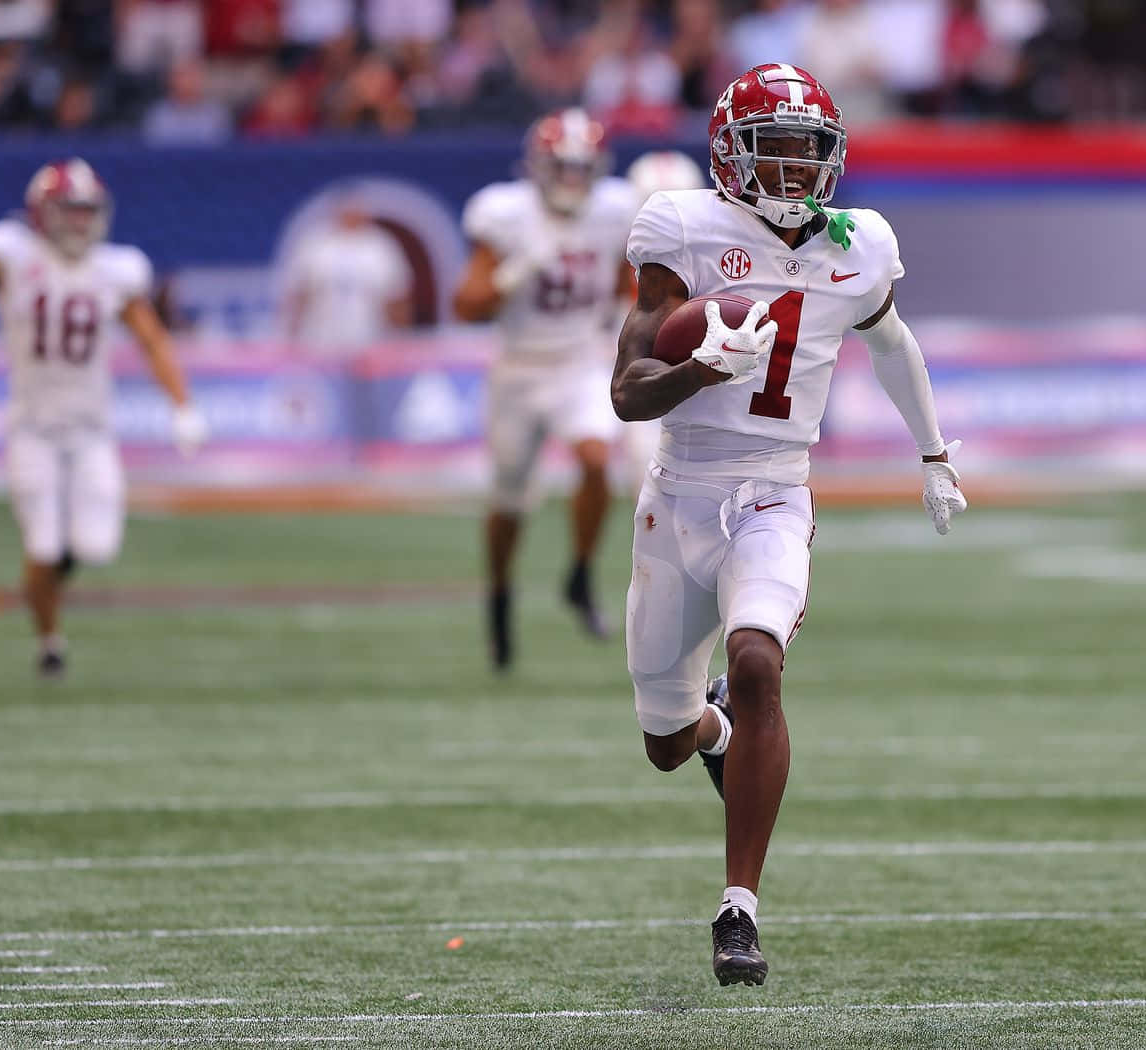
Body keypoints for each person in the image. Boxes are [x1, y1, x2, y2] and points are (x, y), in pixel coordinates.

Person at [612, 63, 966, 987]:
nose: (795, 168)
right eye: (775, 149)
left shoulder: (861, 242)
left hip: (775, 490)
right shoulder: (681, 227)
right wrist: (699, 373)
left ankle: (739, 911)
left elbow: (893, 345)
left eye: (809, 149)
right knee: (664, 742)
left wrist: (932, 454)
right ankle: (714, 734)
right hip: (678, 493)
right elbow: (625, 391)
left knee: (759, 662)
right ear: (732, 153)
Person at [0, 98, 207, 677]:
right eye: (70, 210)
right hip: (32, 429)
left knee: (93, 547)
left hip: (92, 432)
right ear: (42, 212)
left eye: (87, 211)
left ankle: (40, 589)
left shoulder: (116, 270)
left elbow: (154, 340)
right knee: (43, 545)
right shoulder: (15, 256)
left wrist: (182, 405)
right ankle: (49, 640)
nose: (81, 221)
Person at [453, 108, 636, 671]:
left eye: (583, 168)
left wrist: (628, 327)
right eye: (563, 167)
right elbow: (465, 307)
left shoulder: (615, 211)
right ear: (538, 167)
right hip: (519, 367)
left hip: (581, 359)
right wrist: (511, 275)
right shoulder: (504, 216)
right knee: (509, 500)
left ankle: (580, 571)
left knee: (595, 456)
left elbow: (630, 286)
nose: (573, 180)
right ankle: (499, 599)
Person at [622, 149, 706, 488]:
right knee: (645, 461)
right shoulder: (623, 245)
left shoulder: (713, 245)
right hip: (641, 356)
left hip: (699, 357)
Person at [284, 198, 413, 354]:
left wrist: (399, 340)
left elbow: (397, 296)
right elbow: (300, 294)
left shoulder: (381, 247)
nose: (351, 217)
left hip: (369, 340)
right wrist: (291, 336)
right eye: (347, 212)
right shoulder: (316, 244)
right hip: (319, 341)